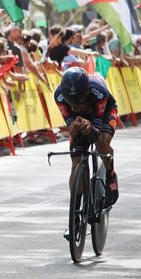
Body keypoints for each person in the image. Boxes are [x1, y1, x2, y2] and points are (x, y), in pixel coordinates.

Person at [54, 67, 119, 238]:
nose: (76, 107)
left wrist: (90, 127)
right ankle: (74, 217)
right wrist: (74, 127)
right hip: (82, 120)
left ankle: (111, 175)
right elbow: (71, 125)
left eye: (80, 102)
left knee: (101, 142)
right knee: (76, 162)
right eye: (72, 104)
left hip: (103, 112)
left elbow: (96, 131)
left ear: (87, 94)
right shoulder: (59, 96)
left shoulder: (98, 91)